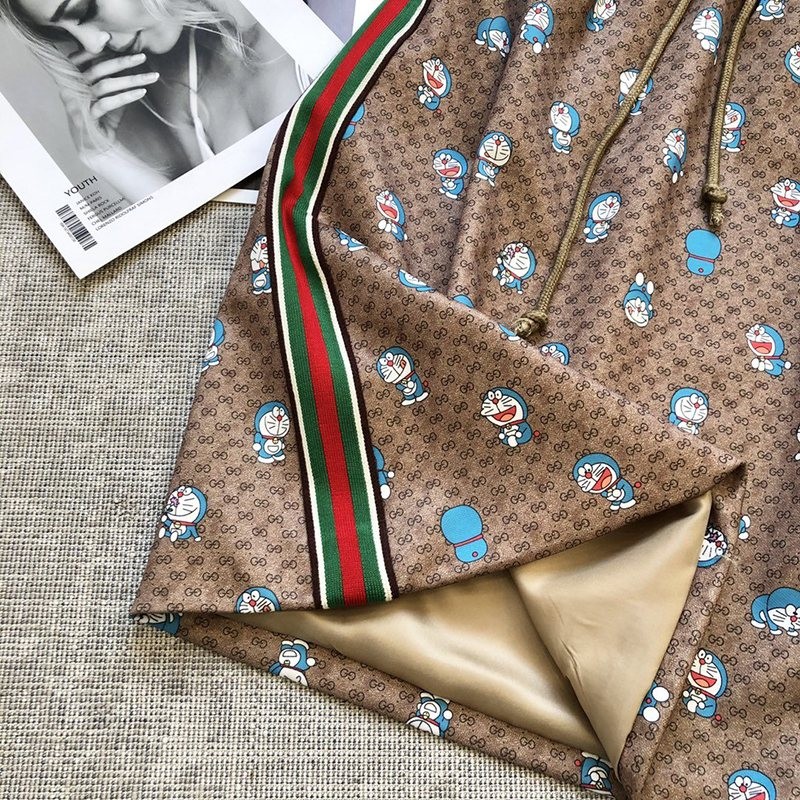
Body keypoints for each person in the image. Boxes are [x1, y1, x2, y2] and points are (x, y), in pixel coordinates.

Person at [0, 0, 309, 202]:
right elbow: (208, 252)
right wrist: (102, 155)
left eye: (85, 9)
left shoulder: (307, 19)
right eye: (61, 33)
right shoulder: (183, 95)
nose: (92, 45)